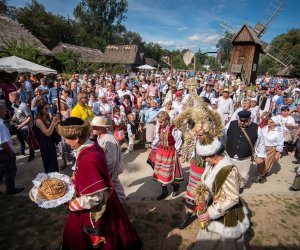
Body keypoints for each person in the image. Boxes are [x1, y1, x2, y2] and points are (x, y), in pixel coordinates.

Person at [57, 117, 143, 250]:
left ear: (76, 138)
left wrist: (73, 203)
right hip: (105, 198)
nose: (65, 142)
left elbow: (96, 197)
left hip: (96, 206)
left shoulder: (90, 159)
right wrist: (76, 176)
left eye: (66, 138)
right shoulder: (91, 145)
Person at [194, 137, 249, 250]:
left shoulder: (228, 170)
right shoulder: (211, 164)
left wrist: (211, 213)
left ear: (215, 154)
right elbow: (207, 183)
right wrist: (202, 198)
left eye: (205, 157)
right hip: (212, 205)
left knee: (223, 243)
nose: (204, 160)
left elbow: (232, 198)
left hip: (225, 213)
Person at [90, 116, 126, 203]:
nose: (93, 128)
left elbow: (111, 160)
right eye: (93, 126)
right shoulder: (102, 135)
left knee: (114, 184)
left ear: (103, 127)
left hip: (112, 169)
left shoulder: (107, 139)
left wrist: (107, 173)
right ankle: (120, 201)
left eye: (96, 126)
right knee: (115, 184)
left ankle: (121, 202)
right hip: (110, 169)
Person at [226, 110, 266, 188]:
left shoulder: (256, 128)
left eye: (245, 121)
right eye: (240, 121)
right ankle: (228, 187)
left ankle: (240, 186)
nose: (242, 123)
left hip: (245, 157)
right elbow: (223, 136)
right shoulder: (231, 124)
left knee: (242, 174)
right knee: (228, 173)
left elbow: (261, 142)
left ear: (249, 119)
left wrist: (260, 156)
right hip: (229, 155)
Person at [150, 111, 183, 200]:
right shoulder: (160, 127)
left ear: (167, 120)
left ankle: (175, 186)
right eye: (159, 122)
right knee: (161, 173)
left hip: (170, 153)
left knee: (168, 173)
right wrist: (153, 146)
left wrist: (177, 152)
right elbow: (157, 138)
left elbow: (178, 141)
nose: (159, 123)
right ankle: (164, 191)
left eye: (161, 122)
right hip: (161, 152)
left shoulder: (174, 129)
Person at [0, 104, 24, 195]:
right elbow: (2, 143)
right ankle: (10, 189)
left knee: (2, 170)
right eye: (4, 110)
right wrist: (10, 152)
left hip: (2, 151)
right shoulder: (1, 125)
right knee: (10, 170)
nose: (5, 112)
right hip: (4, 151)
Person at [254, 117, 284, 183]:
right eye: (269, 121)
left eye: (271, 122)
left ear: (275, 124)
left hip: (271, 149)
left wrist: (278, 152)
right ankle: (260, 173)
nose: (269, 123)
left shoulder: (278, 132)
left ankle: (261, 176)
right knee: (260, 162)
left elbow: (280, 143)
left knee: (266, 163)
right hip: (262, 147)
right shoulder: (264, 128)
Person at [35, 99, 60, 173]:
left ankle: (56, 179)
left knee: (54, 163)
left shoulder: (46, 117)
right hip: (45, 145)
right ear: (40, 109)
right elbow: (47, 133)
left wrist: (56, 123)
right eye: (46, 109)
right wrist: (53, 122)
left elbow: (52, 130)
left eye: (48, 108)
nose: (48, 110)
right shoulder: (38, 120)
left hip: (51, 142)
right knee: (49, 165)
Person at [9, 91, 35, 161]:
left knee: (28, 141)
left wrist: (22, 125)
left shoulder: (23, 106)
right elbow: (15, 112)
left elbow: (30, 117)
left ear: (15, 98)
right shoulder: (14, 104)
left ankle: (31, 154)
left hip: (26, 127)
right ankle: (22, 151)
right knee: (20, 139)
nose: (9, 99)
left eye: (10, 98)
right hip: (19, 126)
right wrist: (12, 119)